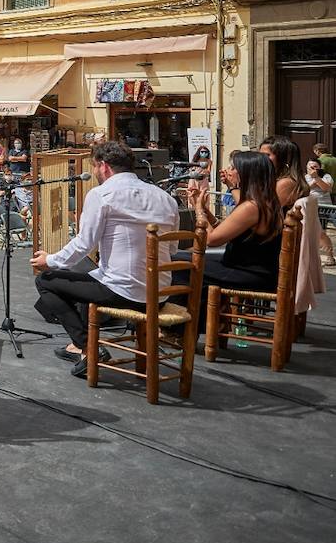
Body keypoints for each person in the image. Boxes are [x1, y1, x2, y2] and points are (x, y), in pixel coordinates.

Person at [32, 141, 180, 378]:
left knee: (47, 281)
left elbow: (84, 244)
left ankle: (87, 347)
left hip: (124, 292)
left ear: (103, 166)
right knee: (89, 278)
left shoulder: (102, 195)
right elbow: (172, 248)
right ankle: (80, 347)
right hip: (160, 294)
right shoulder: (165, 198)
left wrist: (49, 260)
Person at [189, 150, 283, 295]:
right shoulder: (265, 201)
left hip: (248, 274)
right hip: (253, 270)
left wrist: (199, 210)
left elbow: (212, 240)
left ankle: (193, 316)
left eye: (233, 168)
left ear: (246, 174)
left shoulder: (251, 207)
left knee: (177, 266)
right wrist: (207, 212)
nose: (228, 171)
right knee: (180, 258)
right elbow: (228, 230)